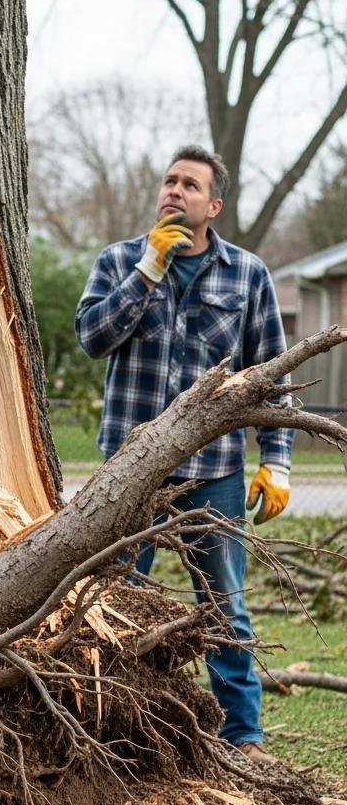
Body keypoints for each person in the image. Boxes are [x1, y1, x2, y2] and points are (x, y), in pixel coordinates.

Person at [74, 144, 293, 766]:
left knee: (225, 608)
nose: (174, 191)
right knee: (112, 601)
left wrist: (276, 461)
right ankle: (109, 732)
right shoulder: (120, 260)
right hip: (129, 473)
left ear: (213, 204)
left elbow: (268, 378)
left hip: (213, 471)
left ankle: (242, 740)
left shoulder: (247, 274)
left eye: (189, 185)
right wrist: (146, 271)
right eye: (169, 181)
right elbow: (93, 339)